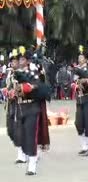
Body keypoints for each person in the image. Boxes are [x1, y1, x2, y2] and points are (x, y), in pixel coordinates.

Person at [14, 46, 51, 175]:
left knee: (31, 136)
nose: (21, 62)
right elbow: (10, 89)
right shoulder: (15, 73)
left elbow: (36, 86)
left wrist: (23, 88)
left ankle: (32, 166)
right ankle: (25, 157)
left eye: (23, 59)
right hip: (20, 107)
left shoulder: (33, 71)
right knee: (22, 135)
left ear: (28, 61)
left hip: (32, 107)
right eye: (20, 59)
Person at [73, 45, 88, 157]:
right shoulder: (77, 69)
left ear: (86, 59)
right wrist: (77, 84)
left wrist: (85, 81)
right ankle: (84, 146)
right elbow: (73, 82)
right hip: (79, 99)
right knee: (78, 123)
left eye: (82, 57)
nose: (79, 59)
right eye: (79, 57)